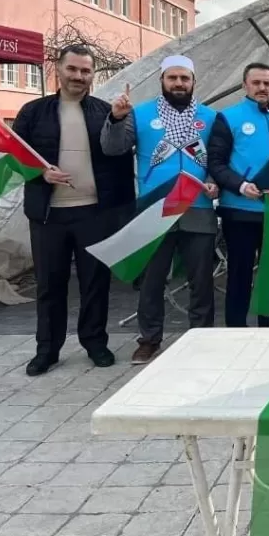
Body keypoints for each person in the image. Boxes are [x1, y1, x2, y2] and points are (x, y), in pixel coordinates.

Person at [13, 45, 135, 376]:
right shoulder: (33, 112)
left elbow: (119, 156)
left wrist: (118, 119)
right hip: (48, 214)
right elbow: (15, 155)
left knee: (95, 283)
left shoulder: (104, 111)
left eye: (85, 71)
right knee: (49, 285)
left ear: (92, 74)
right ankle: (47, 350)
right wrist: (41, 173)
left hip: (94, 213)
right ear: (59, 68)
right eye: (73, 69)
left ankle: (95, 343)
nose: (79, 76)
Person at [102, 55, 219, 364]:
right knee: (151, 281)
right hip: (154, 210)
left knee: (201, 281)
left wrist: (214, 182)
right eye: (172, 78)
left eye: (184, 78)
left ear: (193, 82)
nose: (179, 83)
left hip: (198, 208)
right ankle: (149, 339)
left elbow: (219, 159)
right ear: (162, 81)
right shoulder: (138, 114)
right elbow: (113, 148)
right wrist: (115, 119)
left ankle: (201, 338)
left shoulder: (210, 117)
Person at [207, 62, 269, 327]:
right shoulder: (228, 117)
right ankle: (236, 330)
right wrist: (241, 186)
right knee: (239, 274)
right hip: (240, 211)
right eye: (256, 83)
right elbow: (216, 163)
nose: (262, 88)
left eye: (267, 83)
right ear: (245, 85)